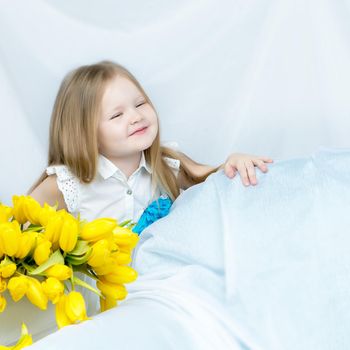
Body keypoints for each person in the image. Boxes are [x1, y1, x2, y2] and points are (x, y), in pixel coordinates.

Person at [29, 60, 273, 229]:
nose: (136, 117)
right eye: (117, 115)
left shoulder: (165, 164)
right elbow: (16, 228)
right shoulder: (67, 184)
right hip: (101, 299)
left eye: (140, 104)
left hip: (159, 285)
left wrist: (233, 161)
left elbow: (215, 178)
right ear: (83, 133)